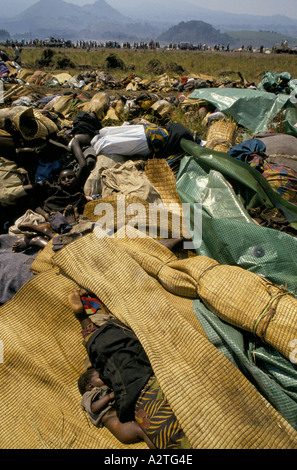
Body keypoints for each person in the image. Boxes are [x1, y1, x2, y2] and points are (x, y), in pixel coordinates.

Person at [69, 288, 191, 449]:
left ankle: (86, 320)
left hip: (138, 395)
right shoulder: (92, 395)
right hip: (140, 388)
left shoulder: (96, 392)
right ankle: (88, 321)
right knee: (121, 352)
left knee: (118, 354)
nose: (103, 379)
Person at [69, 111, 202, 168]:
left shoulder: (86, 137)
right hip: (145, 134)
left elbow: (76, 145)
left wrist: (81, 163)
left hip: (144, 139)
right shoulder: (105, 132)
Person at [12, 166, 91, 252]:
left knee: (66, 226)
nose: (67, 180)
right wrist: (46, 215)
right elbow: (35, 205)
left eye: (70, 177)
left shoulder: (79, 196)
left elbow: (83, 165)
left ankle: (45, 232)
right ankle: (47, 230)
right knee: (62, 224)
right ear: (59, 182)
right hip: (49, 216)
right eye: (63, 179)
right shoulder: (54, 190)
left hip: (62, 220)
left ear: (76, 178)